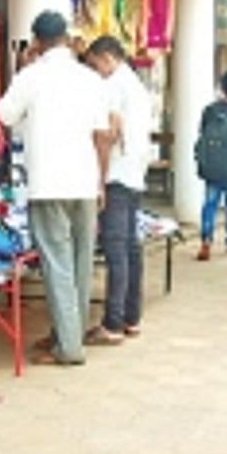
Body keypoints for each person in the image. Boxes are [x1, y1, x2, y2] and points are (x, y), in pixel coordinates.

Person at [0, 10, 111, 365]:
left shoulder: (30, 77)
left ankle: (70, 347)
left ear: (36, 42)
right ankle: (69, 336)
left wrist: (21, 68)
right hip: (84, 181)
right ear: (66, 37)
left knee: (57, 265)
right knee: (79, 262)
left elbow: (4, 114)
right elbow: (102, 132)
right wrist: (100, 181)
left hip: (48, 182)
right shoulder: (89, 79)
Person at [83, 35, 152, 345]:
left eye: (95, 63)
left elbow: (108, 134)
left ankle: (112, 323)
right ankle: (131, 317)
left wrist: (98, 177)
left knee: (116, 249)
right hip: (135, 172)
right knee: (130, 248)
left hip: (117, 174)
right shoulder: (136, 86)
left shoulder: (113, 86)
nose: (94, 70)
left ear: (107, 57)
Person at [194, 71, 227, 260]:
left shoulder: (209, 110)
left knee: (210, 203)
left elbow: (201, 133)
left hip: (211, 165)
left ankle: (206, 240)